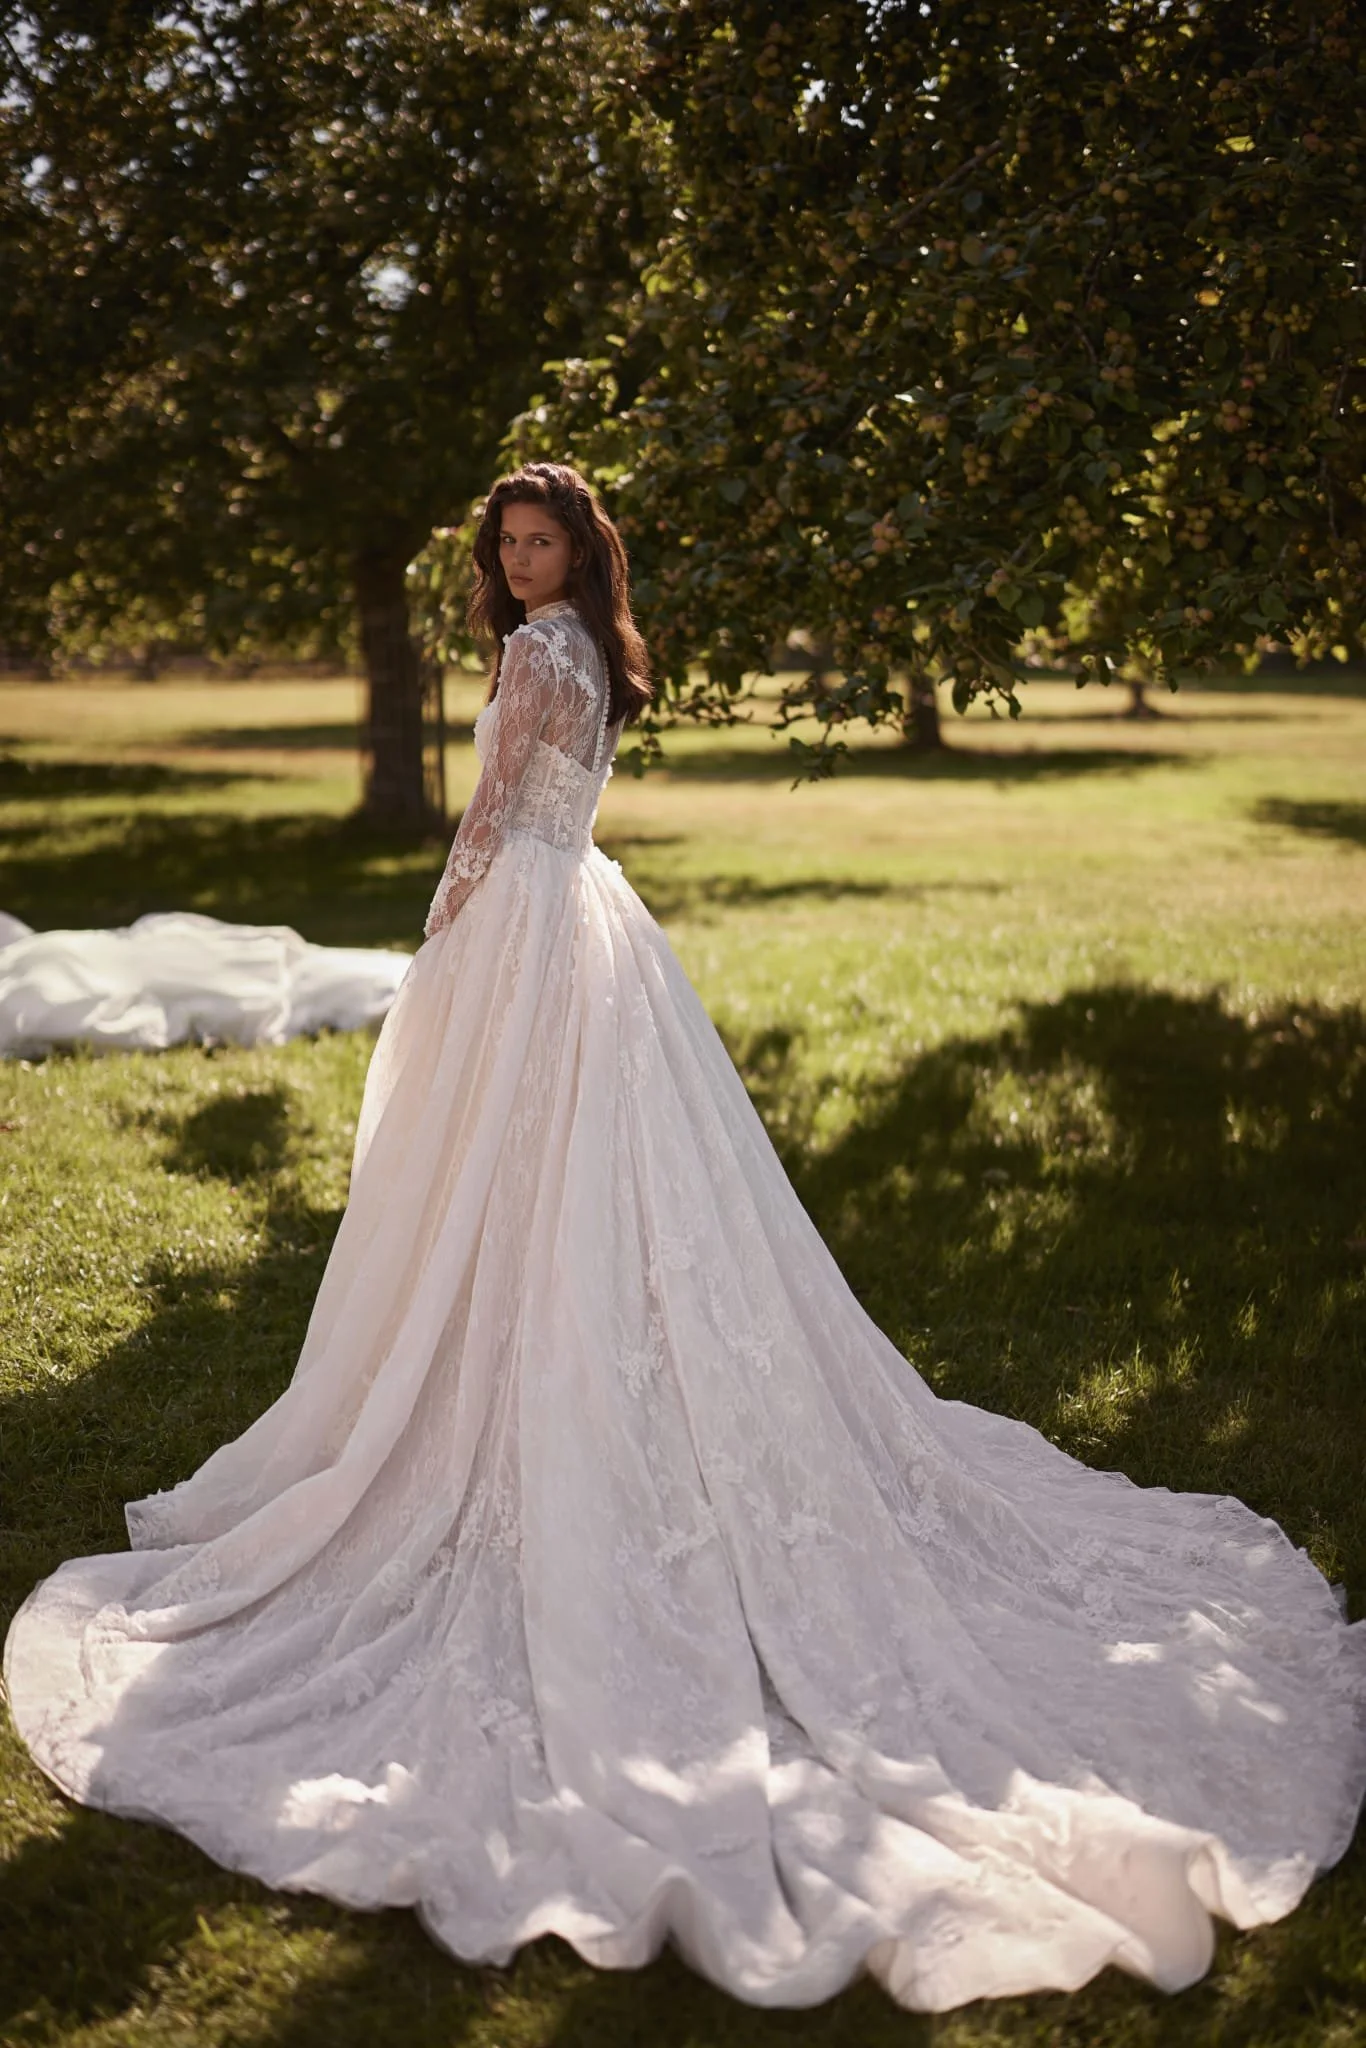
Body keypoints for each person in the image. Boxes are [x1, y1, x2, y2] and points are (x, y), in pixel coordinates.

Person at [6, 462, 1364, 2015]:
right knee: (591, 1189)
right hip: (587, 916)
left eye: (541, 543)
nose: (520, 566)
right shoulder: (599, 650)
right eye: (506, 545)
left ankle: (518, 1397)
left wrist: (438, 936)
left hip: (527, 920)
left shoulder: (534, 657)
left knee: (517, 1177)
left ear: (580, 554)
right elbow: (557, 805)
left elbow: (491, 815)